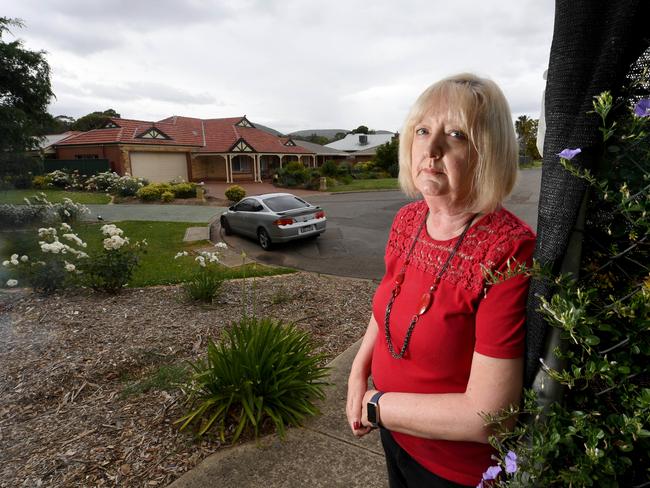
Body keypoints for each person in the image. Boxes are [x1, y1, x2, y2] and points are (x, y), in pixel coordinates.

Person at [346, 73, 535, 488]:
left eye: (455, 135)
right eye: (422, 131)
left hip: (453, 471)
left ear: (488, 152)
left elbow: (491, 417)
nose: (430, 150)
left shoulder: (508, 250)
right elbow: (388, 304)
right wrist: (358, 371)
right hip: (397, 438)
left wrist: (376, 405)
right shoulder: (408, 219)